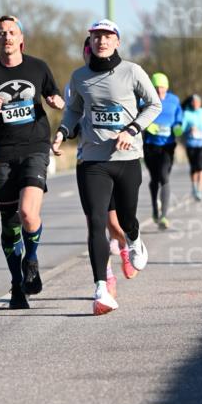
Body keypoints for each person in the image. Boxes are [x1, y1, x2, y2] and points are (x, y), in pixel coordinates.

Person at [52, 19, 161, 315]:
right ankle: (101, 288)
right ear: (91, 41)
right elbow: (73, 111)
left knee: (126, 220)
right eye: (96, 36)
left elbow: (153, 105)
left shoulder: (132, 71)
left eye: (107, 36)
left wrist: (133, 129)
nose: (101, 41)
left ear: (117, 41)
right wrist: (63, 132)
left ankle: (135, 241)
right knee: (96, 221)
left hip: (126, 159)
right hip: (92, 160)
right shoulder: (79, 77)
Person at [0, 15, 64, 309]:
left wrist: (57, 102)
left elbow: (54, 94)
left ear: (21, 39)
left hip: (35, 148)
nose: (7, 37)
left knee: (28, 213)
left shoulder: (38, 67)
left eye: (12, 32)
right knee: (10, 224)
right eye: (1, 33)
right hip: (2, 154)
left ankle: (31, 260)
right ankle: (17, 285)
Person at [70, 37, 128, 297]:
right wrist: (65, 127)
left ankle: (127, 247)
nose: (90, 52)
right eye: (86, 49)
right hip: (88, 161)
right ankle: (106, 276)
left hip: (114, 160)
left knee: (114, 225)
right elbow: (70, 117)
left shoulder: (115, 80)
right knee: (95, 222)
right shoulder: (75, 82)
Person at [143, 71, 182, 228]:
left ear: (167, 87)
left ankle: (164, 216)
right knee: (154, 179)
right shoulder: (145, 100)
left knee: (164, 178)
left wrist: (178, 125)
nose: (160, 91)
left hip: (167, 145)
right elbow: (135, 114)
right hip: (150, 145)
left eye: (162, 88)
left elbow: (179, 115)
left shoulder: (174, 100)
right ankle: (155, 209)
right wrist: (147, 125)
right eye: (156, 88)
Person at [181, 94, 202, 200]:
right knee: (194, 168)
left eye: (197, 102)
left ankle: (200, 190)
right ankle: (194, 187)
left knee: (201, 167)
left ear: (200, 103)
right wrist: (189, 129)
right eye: (193, 102)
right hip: (191, 144)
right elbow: (182, 129)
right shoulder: (187, 113)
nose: (195, 104)